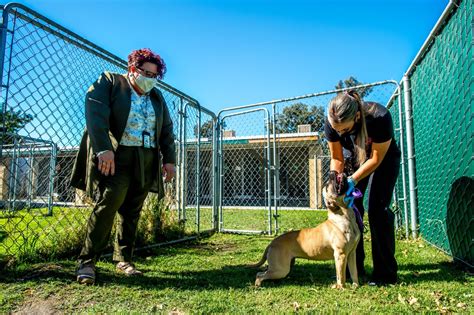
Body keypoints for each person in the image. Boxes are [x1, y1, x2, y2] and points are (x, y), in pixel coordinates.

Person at [70, 48, 176, 285]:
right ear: (132, 68)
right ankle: (87, 261)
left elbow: (167, 130)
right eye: (145, 72)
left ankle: (123, 259)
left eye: (154, 75)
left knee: (132, 211)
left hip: (146, 158)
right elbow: (95, 110)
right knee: (108, 204)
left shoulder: (157, 98)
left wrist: (170, 160)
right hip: (118, 156)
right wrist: (103, 148)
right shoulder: (110, 81)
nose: (149, 78)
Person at [324, 90, 401, 285]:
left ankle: (385, 274)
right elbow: (337, 158)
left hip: (382, 161)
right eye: (336, 130)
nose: (339, 133)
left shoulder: (379, 117)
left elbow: (375, 159)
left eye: (344, 130)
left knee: (379, 211)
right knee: (352, 210)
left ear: (357, 117)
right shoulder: (332, 123)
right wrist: (336, 180)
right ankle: (354, 269)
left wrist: (353, 180)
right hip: (355, 160)